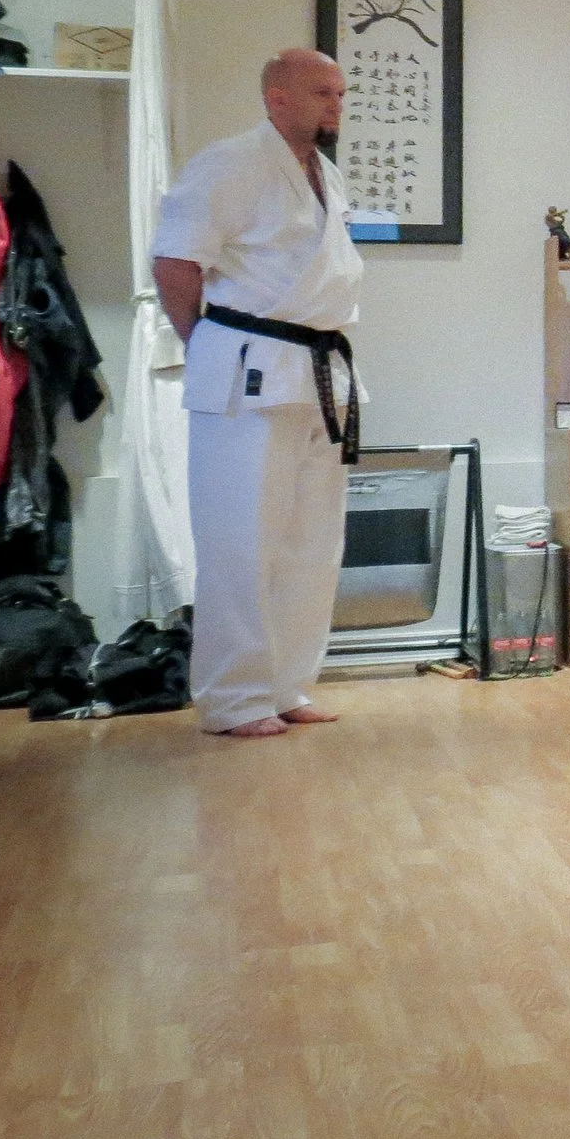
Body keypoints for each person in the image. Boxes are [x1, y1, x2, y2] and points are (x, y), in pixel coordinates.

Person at [152, 50, 364, 737]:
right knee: (240, 541)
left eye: (339, 92)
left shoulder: (324, 174)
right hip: (246, 366)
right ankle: (233, 697)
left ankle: (286, 683)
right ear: (276, 97)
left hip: (316, 369)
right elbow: (176, 262)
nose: (335, 103)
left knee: (311, 542)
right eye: (321, 92)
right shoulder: (230, 163)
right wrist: (208, 344)